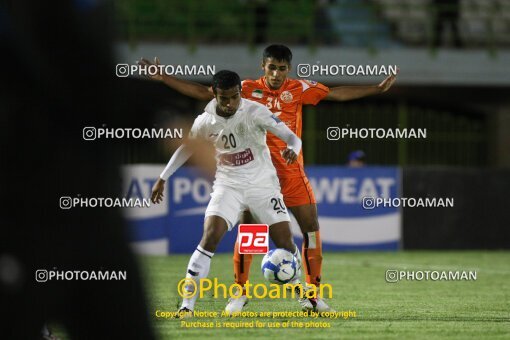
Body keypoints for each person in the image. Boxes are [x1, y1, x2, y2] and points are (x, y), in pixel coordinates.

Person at [140, 44, 397, 313]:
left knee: (310, 229)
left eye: (282, 68)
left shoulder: (299, 89)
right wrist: (165, 78)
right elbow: (205, 92)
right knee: (251, 232)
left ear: (289, 69)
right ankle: (239, 293)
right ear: (263, 66)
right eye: (272, 67)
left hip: (290, 172)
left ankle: (312, 295)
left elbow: (335, 94)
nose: (276, 73)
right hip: (255, 174)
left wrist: (376, 89)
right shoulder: (245, 89)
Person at [151, 70, 315, 315]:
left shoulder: (255, 111)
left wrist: (293, 147)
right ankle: (187, 306)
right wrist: (163, 177)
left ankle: (305, 299)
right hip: (228, 186)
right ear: (214, 95)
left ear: (240, 92)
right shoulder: (205, 121)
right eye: (224, 98)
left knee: (285, 243)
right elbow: (187, 148)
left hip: (263, 186)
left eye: (234, 97)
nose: (230, 103)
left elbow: (292, 137)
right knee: (210, 236)